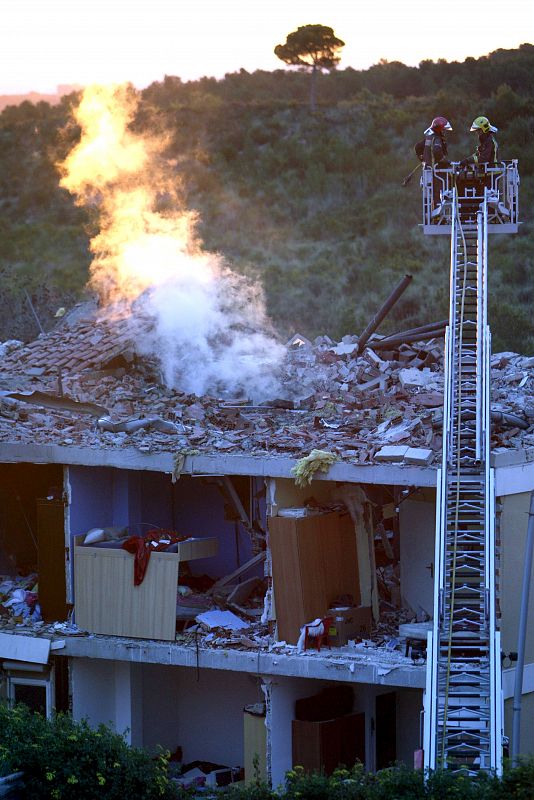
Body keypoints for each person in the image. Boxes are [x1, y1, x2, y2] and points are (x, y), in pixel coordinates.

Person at [415, 116, 452, 214]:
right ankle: (438, 216)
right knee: (438, 194)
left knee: (430, 195)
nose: (445, 132)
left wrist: (422, 160)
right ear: (439, 129)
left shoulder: (429, 137)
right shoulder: (437, 139)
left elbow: (417, 147)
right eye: (444, 130)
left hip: (430, 171)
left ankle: (433, 215)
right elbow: (437, 152)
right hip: (436, 172)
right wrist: (446, 162)